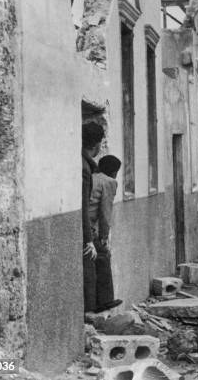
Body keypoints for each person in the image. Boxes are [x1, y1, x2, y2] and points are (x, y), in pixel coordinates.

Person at [88, 155, 122, 312]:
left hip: (85, 223)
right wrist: (104, 237)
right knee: (103, 255)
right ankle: (105, 300)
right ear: (114, 172)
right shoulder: (109, 182)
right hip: (89, 226)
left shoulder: (92, 176)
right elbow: (105, 213)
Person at [82, 122, 104, 313]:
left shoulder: (82, 163)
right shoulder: (85, 168)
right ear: (97, 145)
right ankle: (89, 315)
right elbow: (83, 205)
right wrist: (88, 240)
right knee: (89, 268)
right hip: (84, 228)